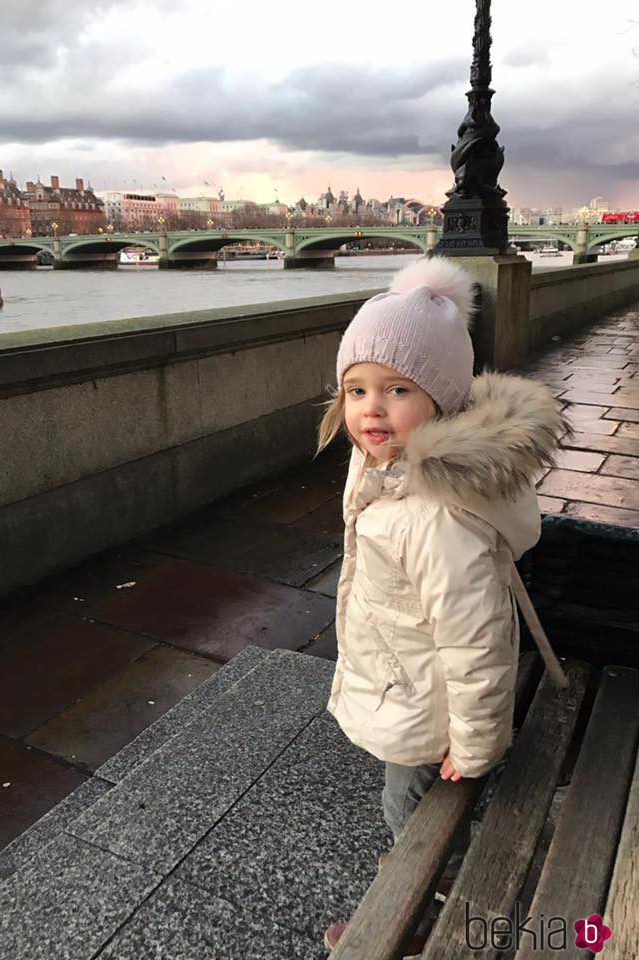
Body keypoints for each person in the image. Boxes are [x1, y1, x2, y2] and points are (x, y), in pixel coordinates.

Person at [317, 256, 572, 955]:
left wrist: (476, 742)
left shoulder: (435, 516)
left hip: (431, 697)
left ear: (443, 399)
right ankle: (422, 877)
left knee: (407, 804)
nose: (372, 407)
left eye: (398, 389)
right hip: (409, 672)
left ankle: (433, 908)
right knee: (407, 801)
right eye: (358, 388)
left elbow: (477, 638)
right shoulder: (386, 464)